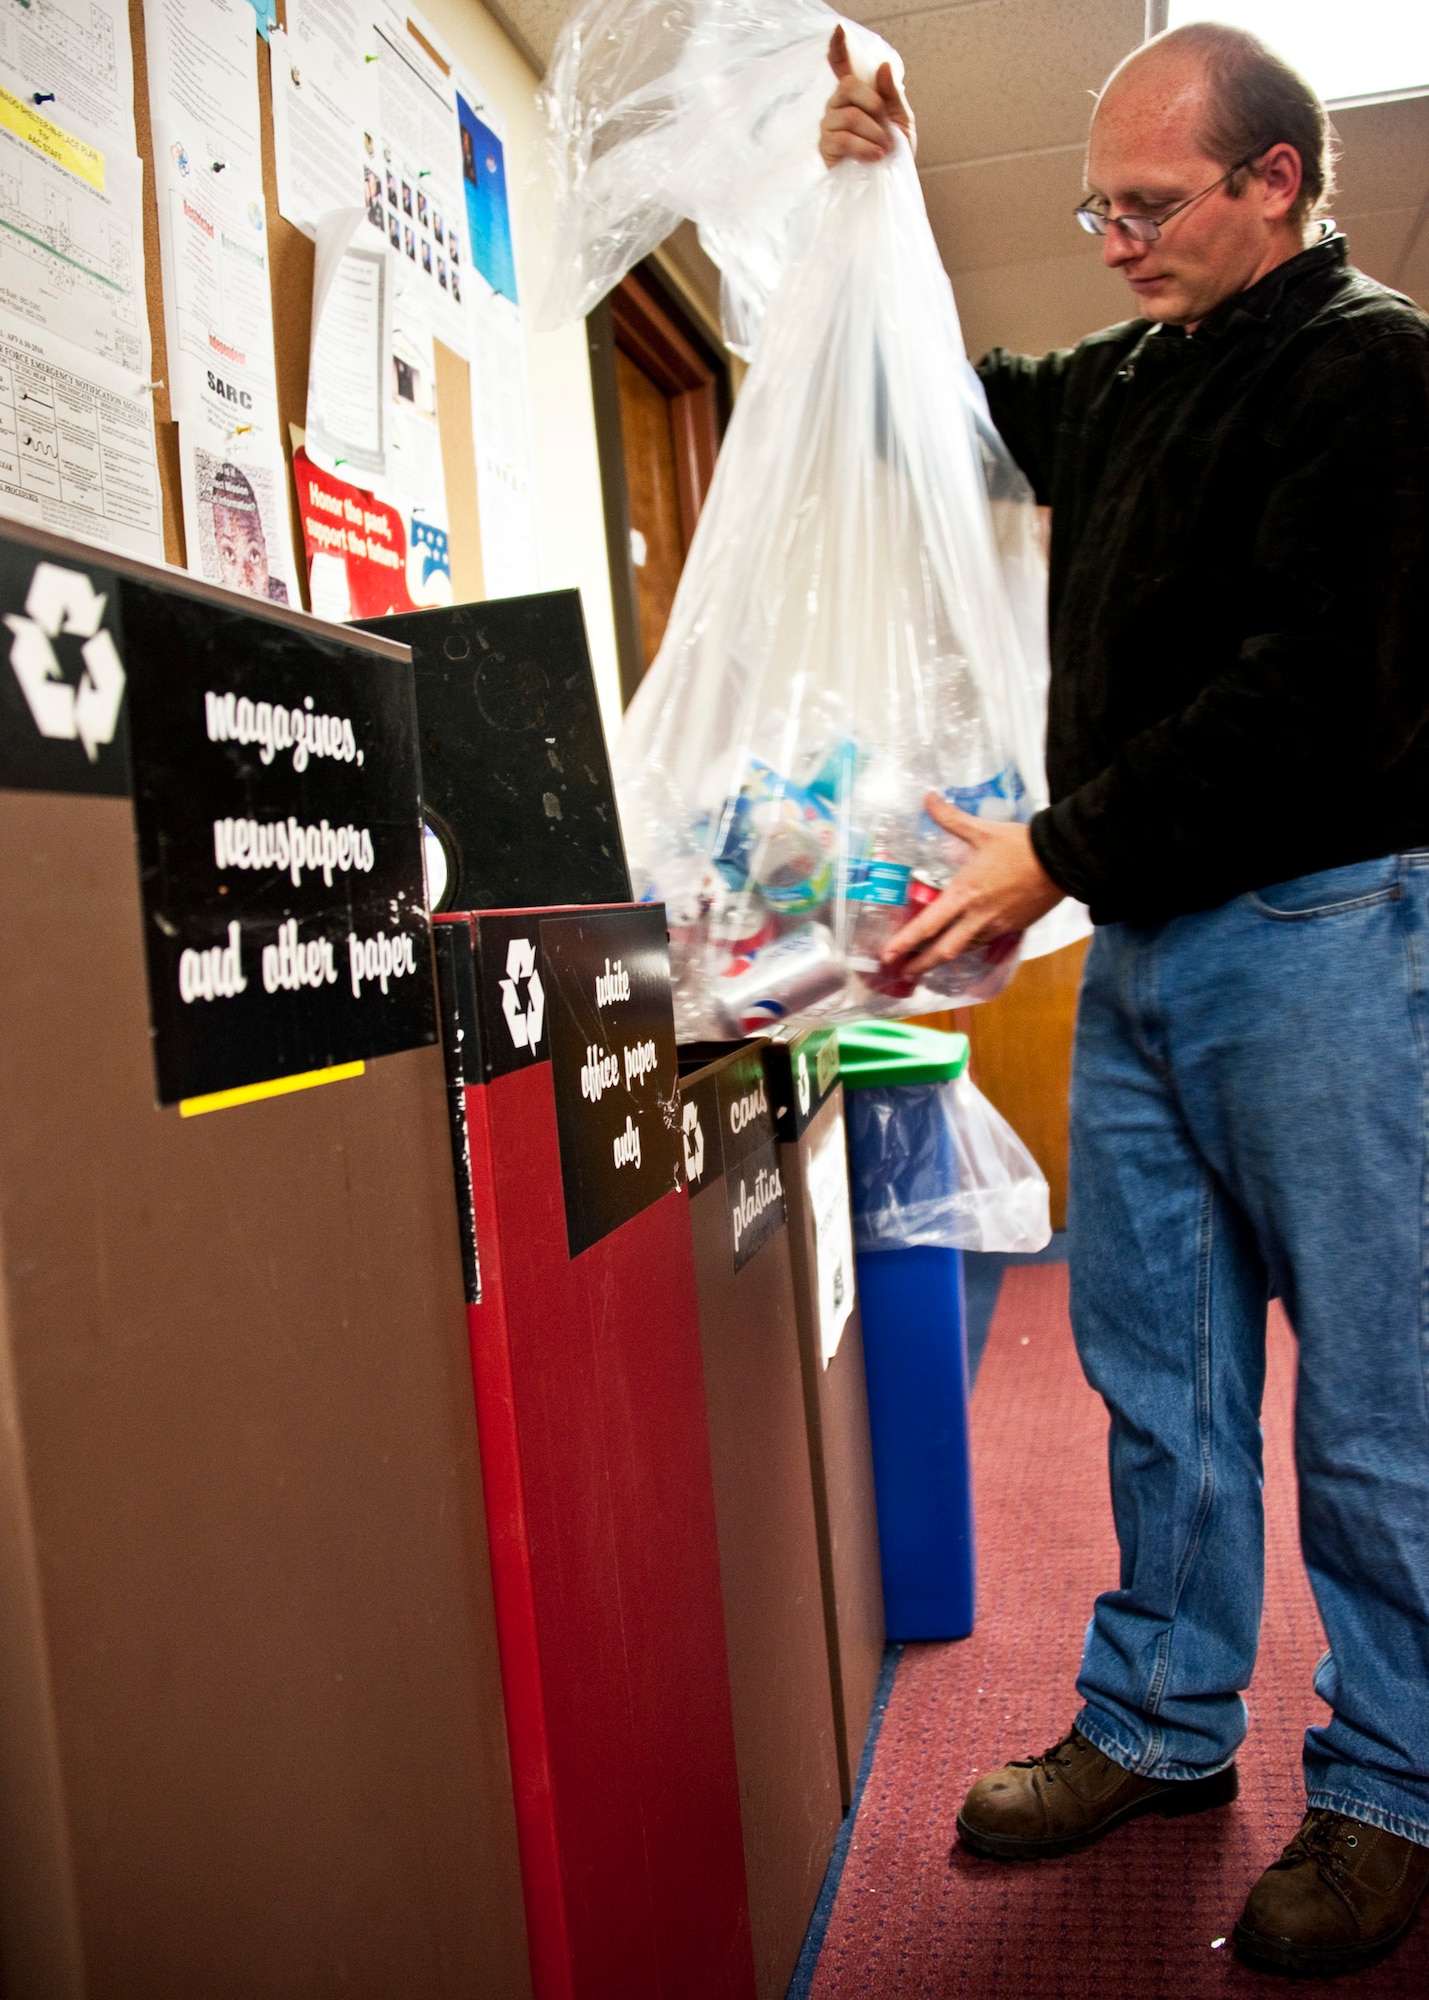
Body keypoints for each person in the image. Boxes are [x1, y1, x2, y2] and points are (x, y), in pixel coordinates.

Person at [822, 18, 1429, 1980]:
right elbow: (932, 402)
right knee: (1153, 1370)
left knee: (1372, 1399)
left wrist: (1051, 849)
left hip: (1332, 931)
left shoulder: (1376, 373)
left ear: (1278, 182)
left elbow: (1306, 694)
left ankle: (1396, 1786)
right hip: (1154, 949)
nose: (1107, 242)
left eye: (1146, 205)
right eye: (1092, 206)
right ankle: (1165, 1721)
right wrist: (874, 196)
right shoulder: (1132, 377)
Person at [209, 460, 288, 604]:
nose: (246, 581)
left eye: (254, 556)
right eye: (229, 554)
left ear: (264, 548)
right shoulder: (206, 605)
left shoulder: (287, 601)